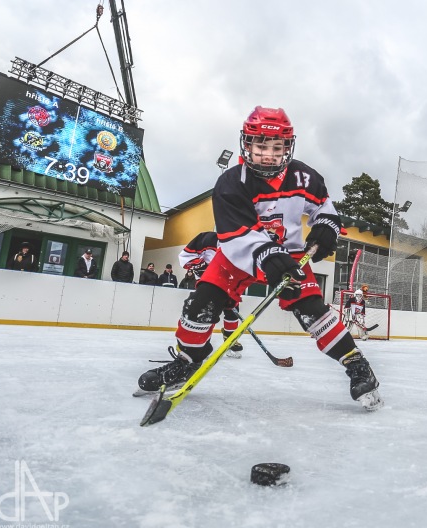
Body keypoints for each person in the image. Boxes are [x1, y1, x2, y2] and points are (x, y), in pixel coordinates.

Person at [136, 106, 382, 410]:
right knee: (200, 305)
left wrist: (325, 229)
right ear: (247, 145)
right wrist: (267, 256)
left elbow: (324, 210)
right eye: (261, 146)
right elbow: (236, 235)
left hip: (290, 255)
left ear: (287, 148)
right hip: (237, 255)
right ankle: (189, 359)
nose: (268, 155)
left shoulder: (304, 177)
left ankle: (356, 363)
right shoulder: (231, 182)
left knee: (312, 310)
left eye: (277, 148)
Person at [178, 231, 243, 358]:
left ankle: (230, 341)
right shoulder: (206, 238)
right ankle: (201, 343)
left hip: (229, 283)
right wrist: (205, 267)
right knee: (206, 311)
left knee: (232, 310)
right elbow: (185, 257)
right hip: (208, 282)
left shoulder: (239, 242)